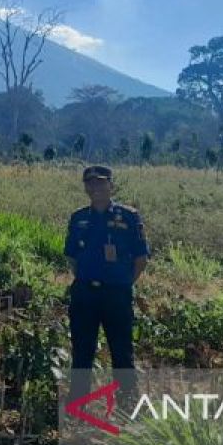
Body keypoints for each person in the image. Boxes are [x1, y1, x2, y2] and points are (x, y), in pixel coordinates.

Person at [64, 165, 149, 400]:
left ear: (111, 186)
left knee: (122, 352)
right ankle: (79, 404)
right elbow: (72, 257)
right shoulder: (79, 218)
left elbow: (141, 259)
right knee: (82, 352)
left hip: (116, 296)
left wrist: (121, 283)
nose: (96, 188)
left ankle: (127, 404)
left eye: (101, 183)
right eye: (90, 183)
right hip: (85, 295)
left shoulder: (129, 217)